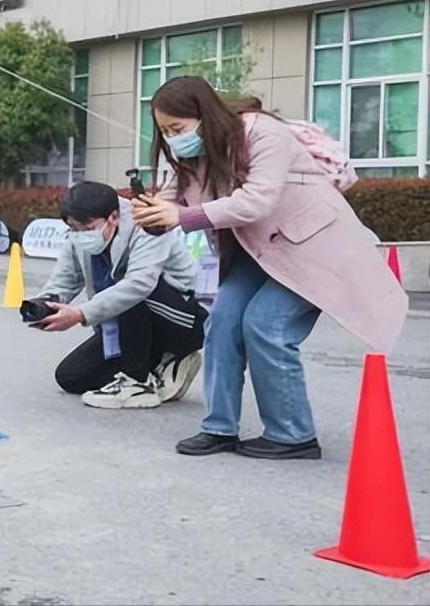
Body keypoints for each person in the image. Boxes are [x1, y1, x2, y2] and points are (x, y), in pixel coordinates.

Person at [132, 76, 407, 459]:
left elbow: (255, 202)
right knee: (222, 322)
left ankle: (294, 435)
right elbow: (171, 199)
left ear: (204, 114)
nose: (173, 138)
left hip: (311, 248)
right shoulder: (193, 157)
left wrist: (181, 216)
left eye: (177, 128)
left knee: (266, 325)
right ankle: (219, 428)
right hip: (254, 251)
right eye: (165, 132)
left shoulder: (263, 132)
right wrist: (151, 214)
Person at [29, 181, 207, 409]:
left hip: (184, 318)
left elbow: (139, 285)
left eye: (86, 228)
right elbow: (65, 279)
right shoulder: (76, 235)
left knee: (130, 290)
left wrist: (81, 314)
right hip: (132, 326)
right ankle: (163, 365)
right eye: (73, 228)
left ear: (113, 217)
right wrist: (47, 304)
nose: (79, 234)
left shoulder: (147, 224)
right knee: (71, 377)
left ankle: (138, 383)